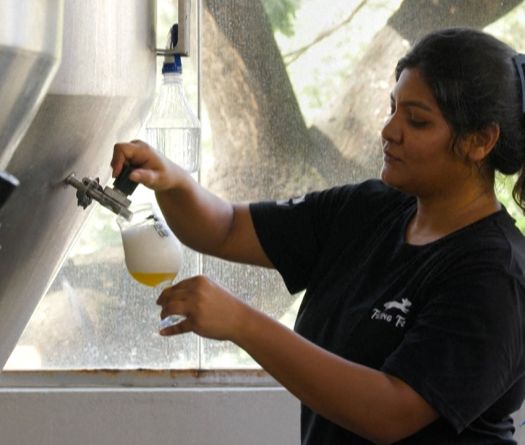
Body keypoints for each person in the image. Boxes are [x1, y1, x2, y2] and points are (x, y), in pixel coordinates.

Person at [112, 27, 525, 444]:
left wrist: (242, 323)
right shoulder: (368, 210)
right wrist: (172, 182)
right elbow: (225, 228)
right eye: (392, 108)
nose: (389, 130)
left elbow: (390, 413)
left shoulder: (494, 276)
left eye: (417, 121)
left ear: (479, 141)